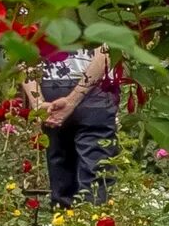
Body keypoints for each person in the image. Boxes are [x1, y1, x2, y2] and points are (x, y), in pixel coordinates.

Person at [33, 44, 120, 207]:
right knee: (95, 179)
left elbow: (18, 52)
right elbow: (106, 52)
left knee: (61, 179)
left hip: (50, 88)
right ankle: (89, 225)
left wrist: (37, 102)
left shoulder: (28, 16)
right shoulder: (95, 17)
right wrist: (71, 101)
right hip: (93, 88)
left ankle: (64, 225)